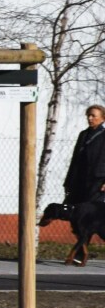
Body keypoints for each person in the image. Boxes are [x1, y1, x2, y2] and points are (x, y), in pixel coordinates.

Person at [60, 104, 105, 265]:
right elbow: (75, 160)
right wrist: (68, 181)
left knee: (88, 218)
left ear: (102, 118)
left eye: (94, 115)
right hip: (80, 181)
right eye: (88, 115)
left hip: (97, 181)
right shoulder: (83, 135)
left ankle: (80, 253)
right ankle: (82, 249)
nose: (90, 118)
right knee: (76, 217)